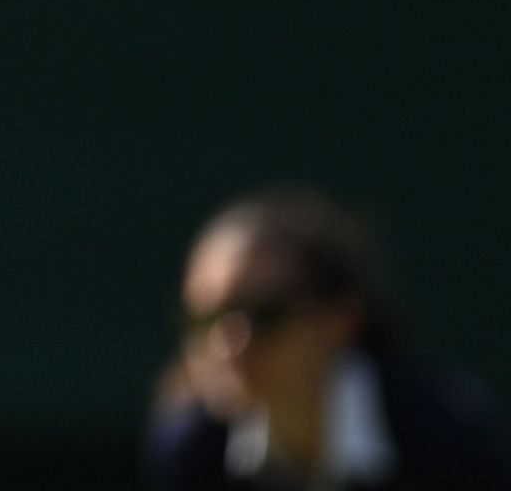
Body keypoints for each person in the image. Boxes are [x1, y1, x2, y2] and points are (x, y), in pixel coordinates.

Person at [144, 185, 511, 490]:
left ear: (340, 320)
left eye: (266, 315)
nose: (227, 343)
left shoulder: (451, 437)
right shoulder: (191, 451)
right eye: (204, 318)